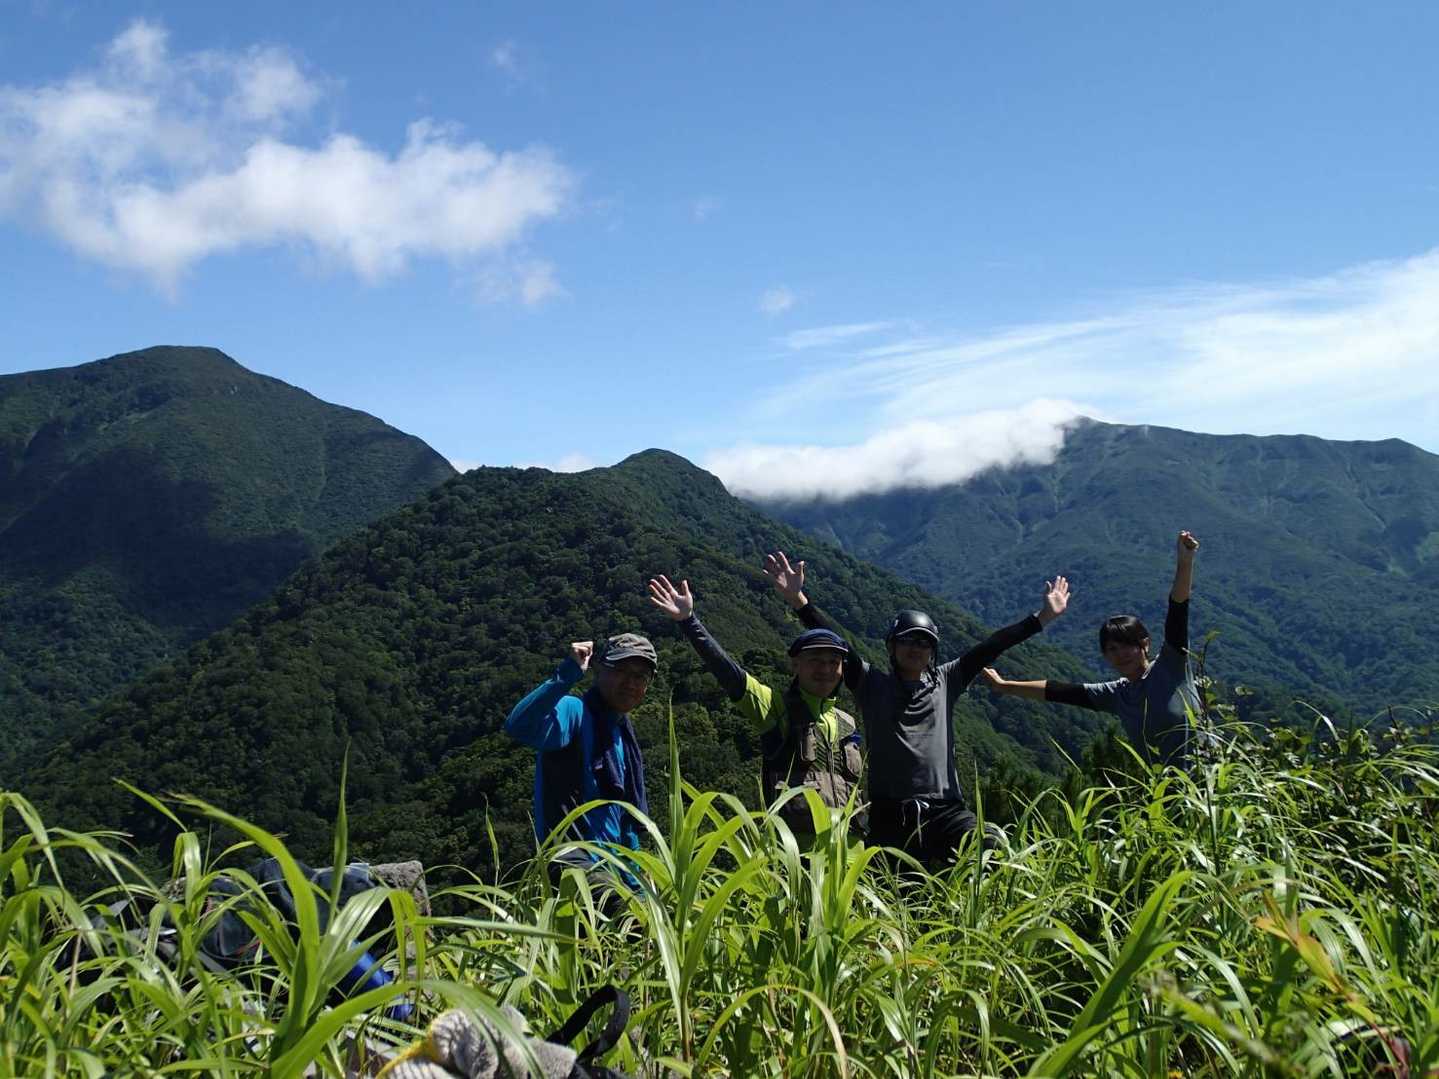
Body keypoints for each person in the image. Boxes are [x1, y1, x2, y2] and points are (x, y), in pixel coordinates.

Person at [764, 551, 1070, 867]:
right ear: (892, 646)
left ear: (932, 651)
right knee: (893, 890)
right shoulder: (871, 684)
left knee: (992, 846)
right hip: (890, 815)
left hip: (946, 811)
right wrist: (798, 600)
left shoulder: (948, 680)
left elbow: (992, 646)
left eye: (924, 643)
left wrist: (1042, 618)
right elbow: (838, 643)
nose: (915, 648)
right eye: (907, 640)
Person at [648, 573, 861, 843]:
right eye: (815, 660)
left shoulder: (847, 723)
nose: (826, 669)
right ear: (796, 665)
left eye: (834, 662)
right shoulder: (775, 707)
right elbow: (731, 675)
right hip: (796, 857)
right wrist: (689, 622)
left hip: (850, 855)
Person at [982, 531, 1202, 767]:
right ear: (1105, 655)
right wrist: (1004, 686)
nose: (1120, 654)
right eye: (1112, 649)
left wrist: (1185, 562)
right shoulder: (1117, 695)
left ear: (1145, 643)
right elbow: (1058, 691)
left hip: (1212, 784)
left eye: (1127, 645)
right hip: (1166, 789)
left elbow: (1178, 608)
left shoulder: (1171, 666)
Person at [503, 633, 655, 877]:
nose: (631, 683)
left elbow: (625, 825)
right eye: (621, 670)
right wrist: (568, 672)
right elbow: (520, 726)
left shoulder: (623, 737)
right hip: (573, 865)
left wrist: (639, 886)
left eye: (641, 676)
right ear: (598, 669)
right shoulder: (574, 711)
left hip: (612, 872)